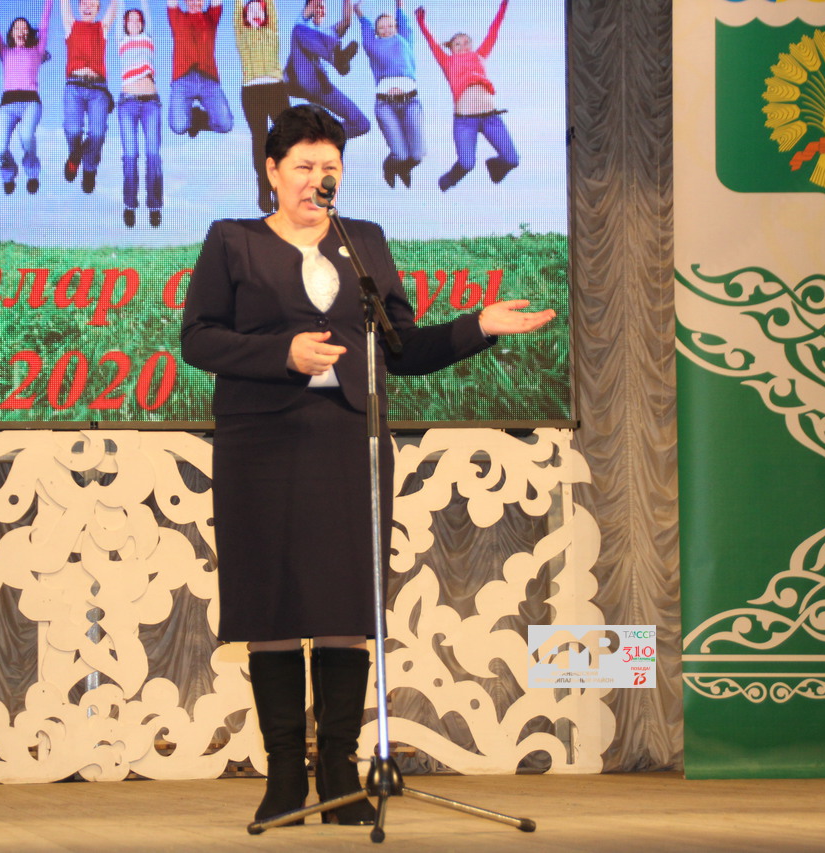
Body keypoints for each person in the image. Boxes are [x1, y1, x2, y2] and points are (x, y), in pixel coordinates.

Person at [179, 105, 554, 825]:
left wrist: (478, 325)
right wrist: (281, 353)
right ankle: (284, 775)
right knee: (272, 601)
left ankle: (340, 770)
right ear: (271, 170)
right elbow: (198, 338)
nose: (317, 180)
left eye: (330, 168)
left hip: (348, 438)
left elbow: (401, 348)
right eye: (303, 167)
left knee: (346, 601)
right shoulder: (233, 241)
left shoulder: (365, 242)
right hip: (261, 441)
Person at [415, 0, 519, 191]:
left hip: (491, 117)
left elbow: (493, 31)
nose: (463, 46)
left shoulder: (480, 55)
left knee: (512, 159)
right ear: (450, 48)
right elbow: (432, 43)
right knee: (467, 163)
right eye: (457, 43)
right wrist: (422, 23)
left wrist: (503, 6)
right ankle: (447, 181)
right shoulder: (447, 61)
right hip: (465, 121)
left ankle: (494, 167)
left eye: (466, 42)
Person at [0, 0, 54, 194]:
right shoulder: (4, 51)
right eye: (17, 27)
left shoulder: (37, 50)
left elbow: (45, 23)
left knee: (26, 136)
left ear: (29, 33)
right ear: (11, 33)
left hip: (30, 102)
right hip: (7, 105)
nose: (21, 31)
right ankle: (9, 172)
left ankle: (32, 173)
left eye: (24, 28)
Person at [355, 0, 422, 188]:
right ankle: (390, 167)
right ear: (376, 32)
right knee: (400, 153)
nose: (386, 30)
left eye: (390, 26)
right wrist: (359, 12)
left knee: (417, 154)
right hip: (386, 104)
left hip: (410, 100)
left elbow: (403, 19)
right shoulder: (373, 45)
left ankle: (404, 168)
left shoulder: (404, 39)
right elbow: (366, 29)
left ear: (397, 28)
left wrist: (399, 4)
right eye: (381, 28)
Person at [232, 0, 290, 213]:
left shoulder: (272, 31)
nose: (255, 12)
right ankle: (264, 187)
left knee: (285, 137)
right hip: (252, 90)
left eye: (260, 8)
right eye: (250, 10)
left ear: (266, 14)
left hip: (275, 88)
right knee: (260, 138)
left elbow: (271, 7)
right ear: (245, 17)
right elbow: (237, 9)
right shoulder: (242, 34)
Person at [283, 0, 369, 140]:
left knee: (362, 124)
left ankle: (321, 138)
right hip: (299, 80)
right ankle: (335, 57)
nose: (320, 10)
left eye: (323, 8)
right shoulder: (303, 23)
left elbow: (347, 21)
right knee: (298, 30)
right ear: (310, 8)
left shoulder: (330, 33)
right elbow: (310, 8)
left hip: (321, 85)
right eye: (318, 7)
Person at [60, 0, 120, 193]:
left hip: (98, 89)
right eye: (84, 3)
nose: (87, 7)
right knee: (72, 130)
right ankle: (75, 155)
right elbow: (64, 5)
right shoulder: (71, 25)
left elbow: (114, 8)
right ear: (78, 7)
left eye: (92, 4)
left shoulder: (102, 27)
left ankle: (89, 169)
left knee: (97, 134)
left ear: (97, 9)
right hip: (74, 86)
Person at [115, 0, 164, 226]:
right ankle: (129, 205)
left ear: (143, 24)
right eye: (130, 20)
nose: (134, 22)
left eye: (138, 20)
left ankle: (154, 205)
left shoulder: (148, 38)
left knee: (153, 154)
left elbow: (147, 9)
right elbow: (119, 9)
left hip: (151, 103)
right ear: (125, 25)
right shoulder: (122, 40)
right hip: (128, 103)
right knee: (130, 155)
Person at [166, 0, 234, 138]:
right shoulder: (177, 17)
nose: (195, 2)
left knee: (226, 124)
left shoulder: (211, 18)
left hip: (208, 79)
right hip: (183, 80)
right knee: (178, 126)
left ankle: (199, 119)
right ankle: (192, 116)